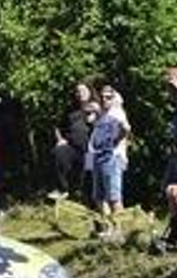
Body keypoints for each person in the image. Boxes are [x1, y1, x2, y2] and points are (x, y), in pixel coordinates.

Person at [89, 85, 131, 219]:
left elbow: (126, 129)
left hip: (112, 158)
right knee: (99, 197)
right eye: (102, 97)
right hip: (97, 156)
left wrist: (117, 139)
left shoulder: (117, 113)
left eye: (108, 97)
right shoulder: (102, 114)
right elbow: (89, 121)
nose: (104, 100)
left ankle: (119, 227)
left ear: (114, 98)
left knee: (114, 197)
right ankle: (107, 226)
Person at [54, 83, 97, 199]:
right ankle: (63, 189)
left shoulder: (97, 108)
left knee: (89, 173)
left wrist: (95, 117)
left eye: (83, 91)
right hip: (72, 148)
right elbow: (58, 126)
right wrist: (60, 139)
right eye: (78, 91)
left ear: (90, 92)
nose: (80, 94)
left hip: (90, 150)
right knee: (59, 152)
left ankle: (87, 197)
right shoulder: (70, 109)